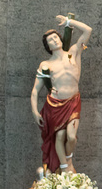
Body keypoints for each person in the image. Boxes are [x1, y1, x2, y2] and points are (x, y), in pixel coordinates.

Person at [31, 14, 92, 174]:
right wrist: (35, 111)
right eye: (50, 40)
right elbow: (35, 90)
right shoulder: (46, 64)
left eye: (56, 37)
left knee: (71, 137)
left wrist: (68, 22)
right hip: (54, 105)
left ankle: (68, 161)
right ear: (48, 47)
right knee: (59, 137)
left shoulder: (73, 52)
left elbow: (87, 30)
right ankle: (64, 169)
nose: (55, 40)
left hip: (72, 102)